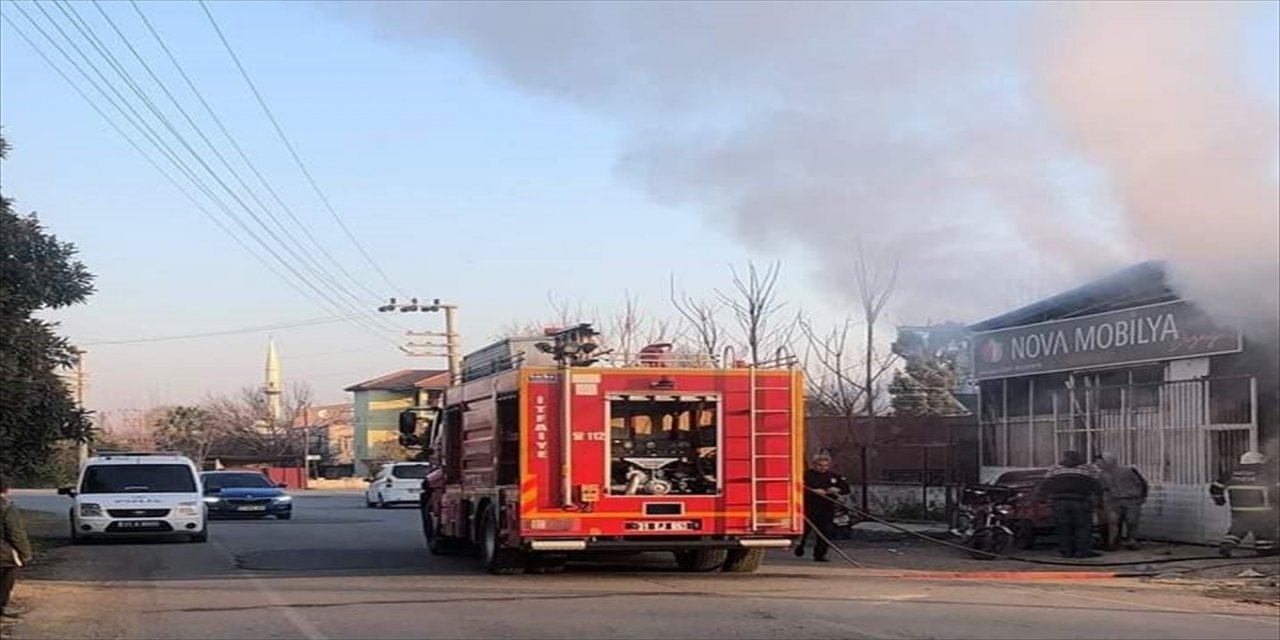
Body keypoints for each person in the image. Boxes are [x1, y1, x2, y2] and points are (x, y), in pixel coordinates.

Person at [1210, 451, 1278, 558]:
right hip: (1262, 510)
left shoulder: (1232, 472)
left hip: (1239, 510)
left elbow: (1215, 487)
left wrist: (1219, 500)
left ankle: (1226, 545)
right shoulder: (1267, 472)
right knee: (1263, 530)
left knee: (1238, 529)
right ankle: (1264, 549)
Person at [1038, 451, 1104, 559]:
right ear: (1078, 458)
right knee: (1083, 527)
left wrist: (1042, 498)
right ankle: (1082, 551)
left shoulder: (1054, 469)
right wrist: (1099, 500)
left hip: (1060, 503)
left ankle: (1066, 551)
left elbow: (1045, 485)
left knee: (1063, 527)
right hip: (1081, 502)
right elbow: (1096, 485)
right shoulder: (1087, 469)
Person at [795, 453, 850, 563]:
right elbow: (797, 488)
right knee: (805, 531)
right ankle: (800, 546)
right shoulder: (806, 475)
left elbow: (846, 489)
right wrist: (812, 491)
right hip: (809, 508)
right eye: (820, 465)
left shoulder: (834, 476)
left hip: (826, 509)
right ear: (814, 465)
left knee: (826, 532)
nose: (823, 468)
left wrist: (836, 490)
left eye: (825, 465)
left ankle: (820, 555)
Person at [1096, 452, 1149, 551]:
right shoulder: (1102, 475)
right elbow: (1104, 489)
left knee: (1131, 521)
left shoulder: (1128, 471)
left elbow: (1142, 483)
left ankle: (1131, 540)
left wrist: (1142, 497)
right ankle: (1113, 543)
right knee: (1113, 523)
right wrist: (1104, 502)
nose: (1098, 464)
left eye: (1100, 462)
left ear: (1108, 461)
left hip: (1132, 500)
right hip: (1114, 501)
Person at [1, 474, 34, 623]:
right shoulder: (6, 508)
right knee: (6, 577)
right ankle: (2, 607)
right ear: (6, 489)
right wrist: (25, 554)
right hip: (2, 553)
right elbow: (15, 533)